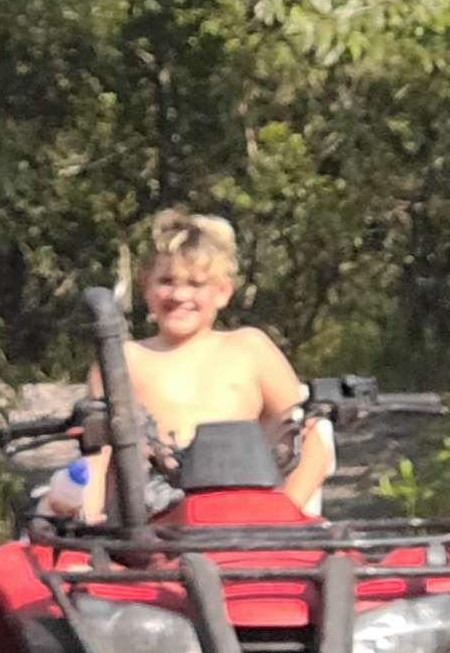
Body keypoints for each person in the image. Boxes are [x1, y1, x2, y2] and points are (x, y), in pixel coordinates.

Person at [79, 211, 333, 518]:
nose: (179, 295)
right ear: (146, 287)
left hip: (248, 511)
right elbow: (97, 458)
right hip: (155, 519)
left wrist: (285, 514)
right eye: (167, 281)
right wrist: (89, 520)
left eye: (196, 284)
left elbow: (310, 439)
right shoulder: (122, 360)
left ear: (223, 292)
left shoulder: (249, 348)